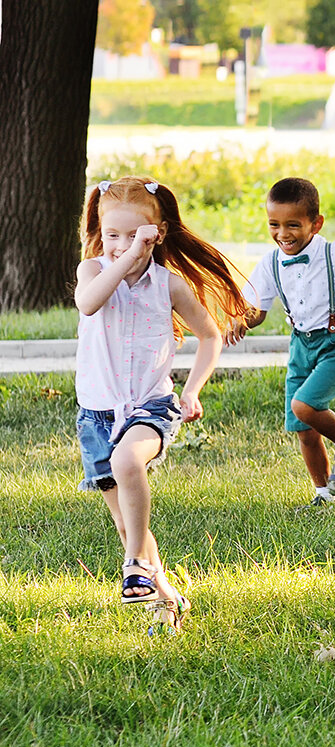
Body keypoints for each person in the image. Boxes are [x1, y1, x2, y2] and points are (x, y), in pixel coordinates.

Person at [74, 176, 253, 633]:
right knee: (125, 521)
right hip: (96, 414)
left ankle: (134, 562)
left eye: (133, 235)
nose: (120, 244)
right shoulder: (92, 272)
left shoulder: (167, 285)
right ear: (100, 231)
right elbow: (90, 304)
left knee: (128, 461)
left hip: (151, 405)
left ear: (157, 234)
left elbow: (210, 335)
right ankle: (166, 597)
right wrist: (126, 257)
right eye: (111, 234)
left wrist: (192, 389)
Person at [237, 177, 335, 507]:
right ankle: (324, 495)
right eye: (274, 224)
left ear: (316, 223)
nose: (282, 234)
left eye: (293, 225)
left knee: (306, 405)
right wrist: (237, 322)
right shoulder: (270, 263)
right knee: (304, 428)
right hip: (301, 345)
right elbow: (256, 312)